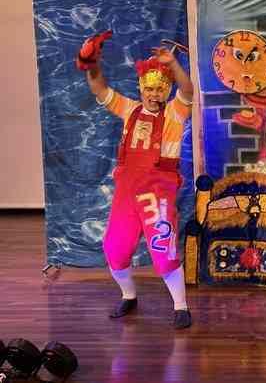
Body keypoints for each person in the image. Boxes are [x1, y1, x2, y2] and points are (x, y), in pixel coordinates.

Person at [79, 32, 194, 329]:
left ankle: (181, 306)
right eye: (149, 89)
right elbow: (99, 87)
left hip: (158, 190)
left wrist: (173, 65)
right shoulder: (129, 109)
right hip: (127, 190)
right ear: (141, 88)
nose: (154, 94)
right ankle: (129, 296)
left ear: (166, 91)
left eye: (160, 89)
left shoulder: (175, 113)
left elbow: (188, 90)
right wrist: (91, 63)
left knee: (163, 250)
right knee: (115, 249)